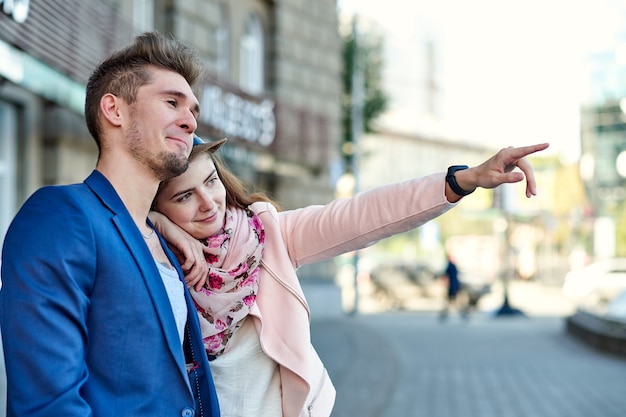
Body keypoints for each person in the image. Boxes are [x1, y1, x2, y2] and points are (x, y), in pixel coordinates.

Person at [149, 136, 549, 417]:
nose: (208, 203)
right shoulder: (150, 259)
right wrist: (155, 227)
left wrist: (463, 180)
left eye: (211, 181)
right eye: (184, 197)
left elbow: (364, 214)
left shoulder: (268, 235)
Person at [0, 32, 220, 417]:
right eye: (172, 103)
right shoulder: (61, 216)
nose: (189, 121)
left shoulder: (163, 238)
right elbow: (49, 404)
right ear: (114, 110)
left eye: (194, 112)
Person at [438, 252, 466, 320]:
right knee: (452, 301)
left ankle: (463, 313)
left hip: (452, 286)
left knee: (451, 301)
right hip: (455, 285)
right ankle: (463, 314)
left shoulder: (450, 265)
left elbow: (446, 274)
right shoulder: (453, 265)